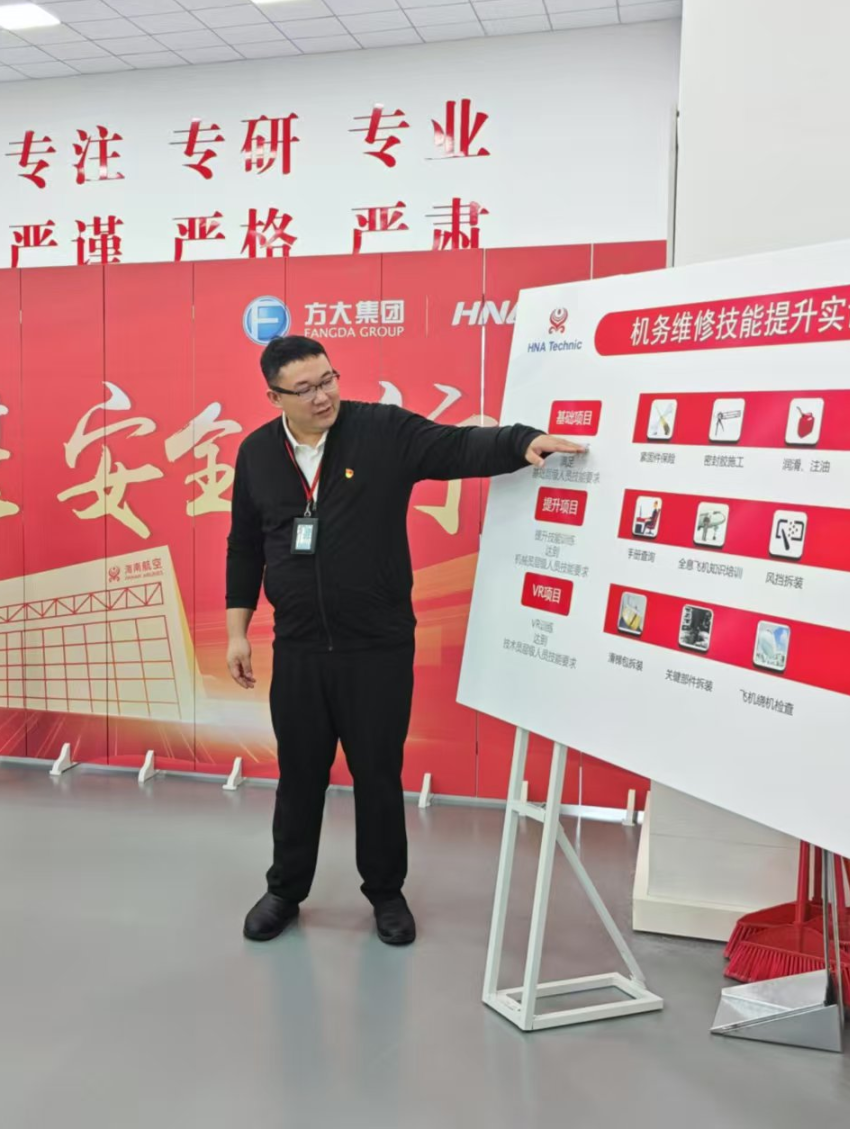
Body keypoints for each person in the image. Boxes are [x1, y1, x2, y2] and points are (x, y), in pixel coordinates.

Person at [226, 336, 587, 947]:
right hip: (300, 648)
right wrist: (237, 631)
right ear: (274, 397)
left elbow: (455, 446)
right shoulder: (257, 453)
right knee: (299, 775)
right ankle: (285, 889)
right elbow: (244, 544)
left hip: (378, 647)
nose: (323, 396)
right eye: (305, 389)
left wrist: (520, 441)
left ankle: (386, 893)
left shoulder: (380, 430)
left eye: (328, 379)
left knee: (377, 773)